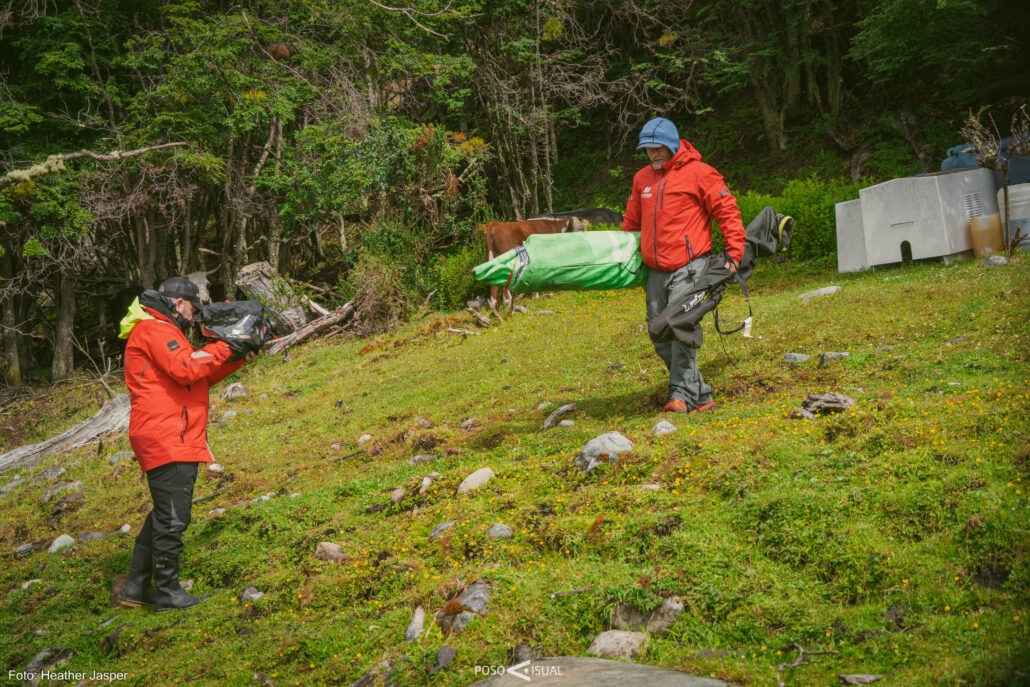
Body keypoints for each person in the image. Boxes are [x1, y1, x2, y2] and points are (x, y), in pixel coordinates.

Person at [118, 277, 255, 611]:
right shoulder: (154, 328)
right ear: (179, 303)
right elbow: (185, 368)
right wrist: (228, 345)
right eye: (193, 309)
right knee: (174, 518)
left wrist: (237, 356)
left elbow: (197, 376)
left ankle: (136, 589)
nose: (195, 317)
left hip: (170, 432)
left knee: (164, 513)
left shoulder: (161, 329)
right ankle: (167, 592)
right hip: (166, 433)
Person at [622, 117, 746, 414]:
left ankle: (680, 395)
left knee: (679, 326)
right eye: (647, 149)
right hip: (655, 270)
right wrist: (623, 258)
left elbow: (727, 210)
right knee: (658, 331)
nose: (652, 154)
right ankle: (701, 396)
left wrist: (734, 252)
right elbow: (631, 222)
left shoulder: (700, 173)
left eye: (658, 148)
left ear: (672, 145)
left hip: (690, 266)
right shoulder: (642, 179)